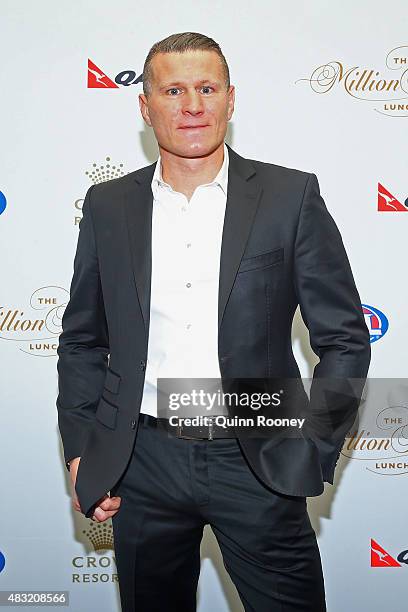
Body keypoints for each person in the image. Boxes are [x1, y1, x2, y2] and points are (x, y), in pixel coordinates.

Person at [56, 32, 371, 612]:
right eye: (173, 90)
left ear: (231, 99)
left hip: (257, 459)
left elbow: (345, 339)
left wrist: (314, 449)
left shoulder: (289, 196)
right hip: (141, 462)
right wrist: (81, 448)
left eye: (207, 88)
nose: (193, 105)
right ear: (145, 106)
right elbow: (81, 340)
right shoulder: (107, 206)